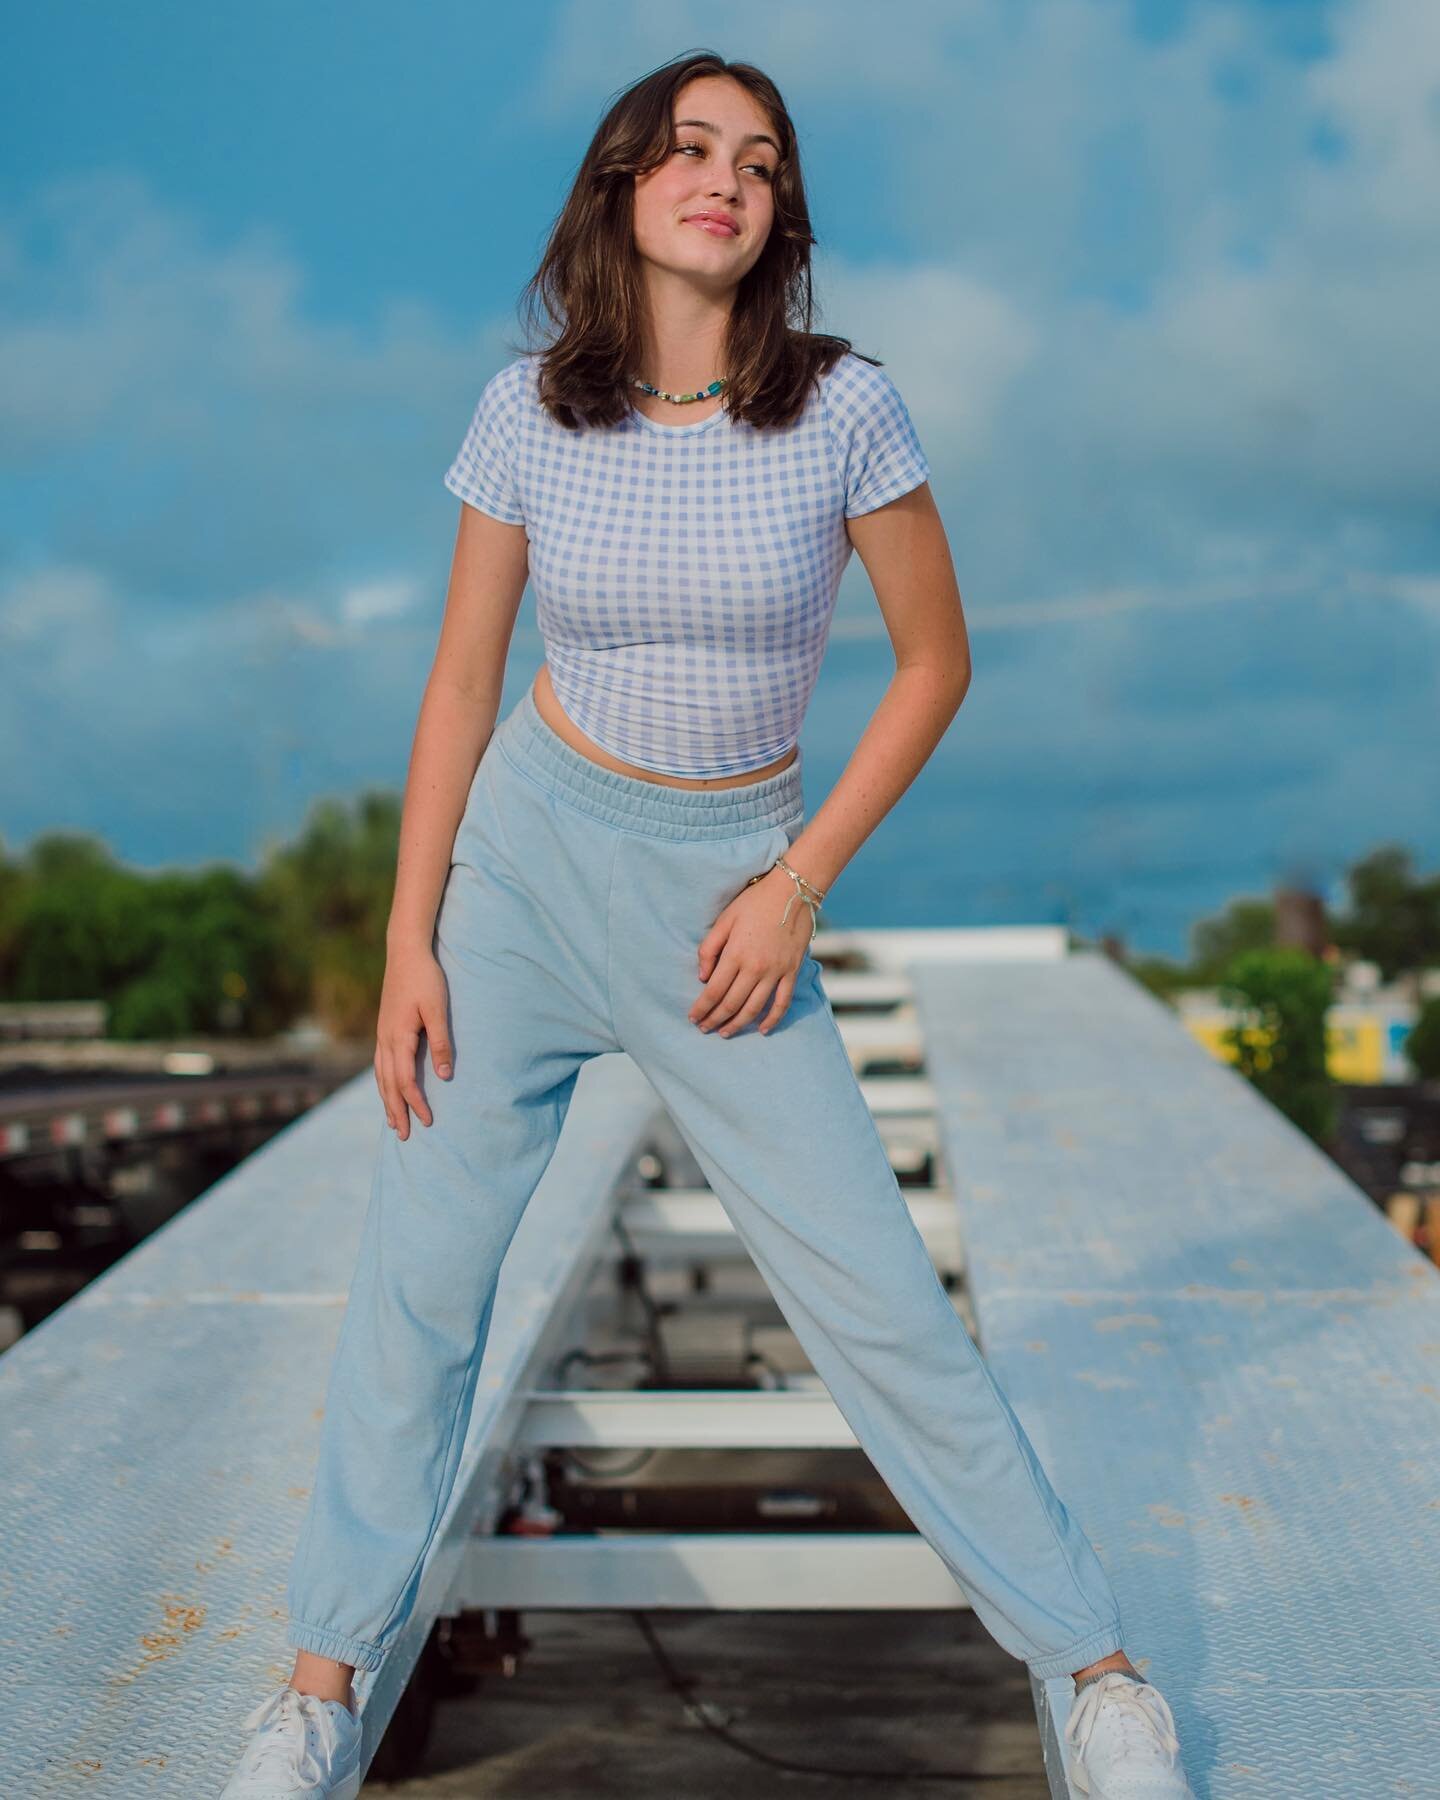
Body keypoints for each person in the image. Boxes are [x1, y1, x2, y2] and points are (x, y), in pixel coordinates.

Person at [222, 49, 1195, 1800]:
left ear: (778, 217)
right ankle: (311, 1689)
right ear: (622, 183)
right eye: (688, 148)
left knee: (881, 1306)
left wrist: (796, 882)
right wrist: (408, 936)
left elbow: (934, 664)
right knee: (420, 1291)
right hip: (522, 872)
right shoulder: (529, 408)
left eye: (757, 161)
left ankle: (1096, 1670)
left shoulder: (845, 409)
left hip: (727, 906)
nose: (722, 178)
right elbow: (459, 682)